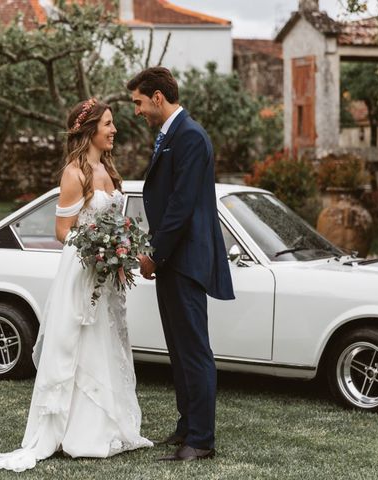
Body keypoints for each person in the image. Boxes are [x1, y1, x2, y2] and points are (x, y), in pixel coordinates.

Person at [0, 98, 152, 472]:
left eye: (113, 124)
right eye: (108, 124)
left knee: (108, 342)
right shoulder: (74, 173)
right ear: (90, 128)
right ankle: (79, 431)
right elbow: (63, 231)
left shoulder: (109, 171)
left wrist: (119, 247)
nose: (114, 130)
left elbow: (114, 221)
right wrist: (100, 247)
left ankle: (111, 425)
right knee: (81, 345)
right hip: (82, 271)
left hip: (107, 277)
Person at [127, 67, 235, 462]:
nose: (136, 111)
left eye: (139, 102)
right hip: (174, 259)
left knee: (193, 350)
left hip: (184, 259)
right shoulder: (171, 135)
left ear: (158, 97)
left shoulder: (189, 136)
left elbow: (181, 207)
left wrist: (155, 255)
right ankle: (187, 425)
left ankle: (202, 440)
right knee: (178, 347)